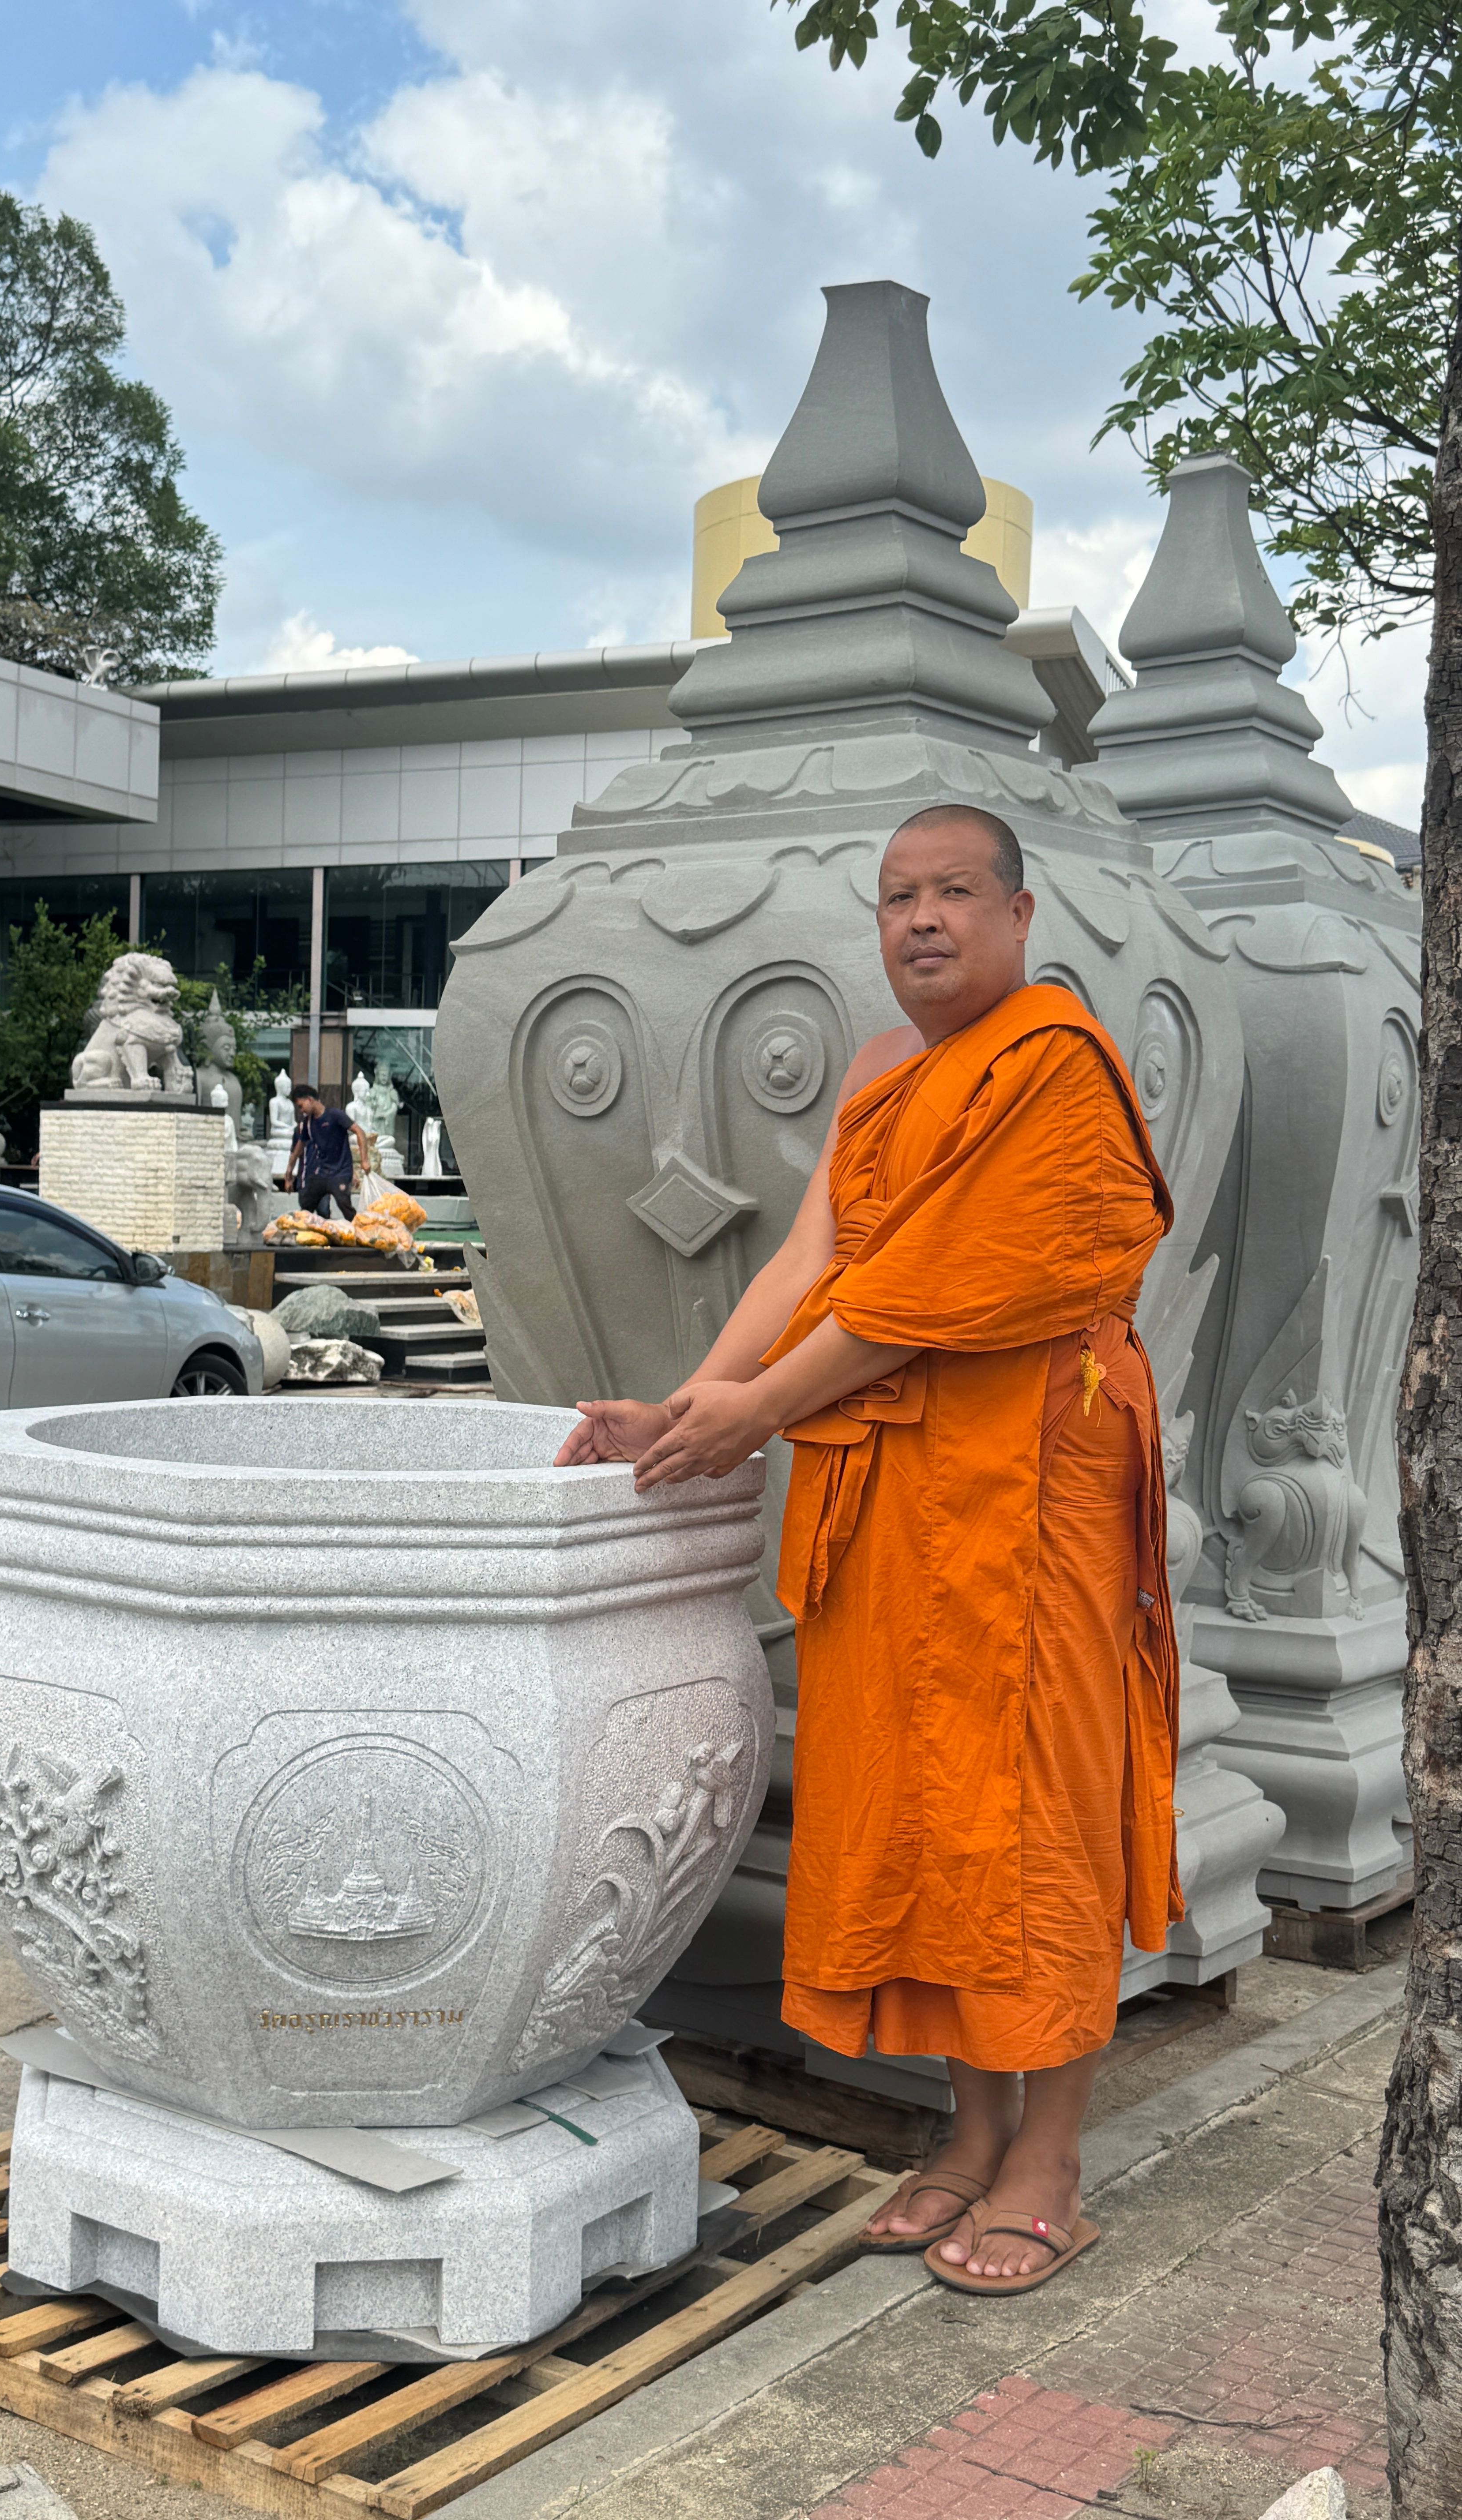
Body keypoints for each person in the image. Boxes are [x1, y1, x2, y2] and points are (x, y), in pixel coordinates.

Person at [554, 804, 1179, 2298]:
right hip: (892, 1483)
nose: (921, 920)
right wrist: (695, 1402)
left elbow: (957, 1284)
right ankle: (968, 2135)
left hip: (1033, 1473)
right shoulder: (882, 1072)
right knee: (917, 1796)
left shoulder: (1054, 1062)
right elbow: (816, 1259)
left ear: (1019, 917)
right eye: (897, 896)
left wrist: (760, 1411)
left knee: (1035, 1800)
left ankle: (1050, 2160)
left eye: (954, 892)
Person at [286, 1086, 359, 1222]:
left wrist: (364, 1161)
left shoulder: (336, 1116)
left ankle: (360, 1229)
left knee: (343, 1204)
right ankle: (302, 1229)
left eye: (302, 1106)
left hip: (340, 1172)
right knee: (307, 1204)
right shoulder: (308, 1124)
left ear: (310, 1100)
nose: (302, 1111)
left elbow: (360, 1132)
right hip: (321, 1173)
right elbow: (298, 1150)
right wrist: (289, 1172)